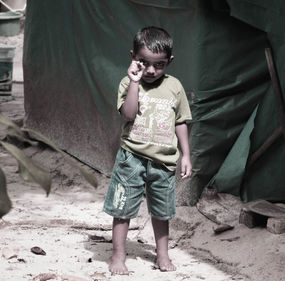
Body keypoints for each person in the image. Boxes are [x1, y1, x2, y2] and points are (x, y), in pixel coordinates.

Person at [103, 26, 192, 275]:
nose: (151, 70)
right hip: (131, 158)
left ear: (169, 61)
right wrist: (134, 81)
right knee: (122, 209)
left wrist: (186, 155)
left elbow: (181, 121)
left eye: (159, 65)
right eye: (143, 63)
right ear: (133, 57)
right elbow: (128, 114)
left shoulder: (175, 86)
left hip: (163, 162)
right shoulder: (128, 82)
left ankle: (162, 255)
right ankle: (118, 256)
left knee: (162, 211)